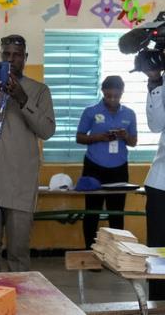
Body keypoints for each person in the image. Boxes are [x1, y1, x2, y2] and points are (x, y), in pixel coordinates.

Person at [0, 34, 55, 272]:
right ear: (0, 57)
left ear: (25, 58)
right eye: (6, 55)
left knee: (18, 253)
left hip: (20, 183)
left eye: (16, 55)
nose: (11, 60)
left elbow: (47, 130)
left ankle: (20, 304)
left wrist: (22, 99)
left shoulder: (39, 91)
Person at [76, 75, 137, 249]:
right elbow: (79, 137)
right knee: (92, 212)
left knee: (116, 213)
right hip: (93, 167)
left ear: (122, 93)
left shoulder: (129, 114)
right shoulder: (91, 111)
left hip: (119, 169)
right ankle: (91, 253)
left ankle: (115, 255)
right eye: (109, 95)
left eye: (116, 96)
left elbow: (133, 142)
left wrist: (125, 136)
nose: (112, 99)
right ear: (103, 92)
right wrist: (99, 137)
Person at [134, 49, 165, 300]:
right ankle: (158, 305)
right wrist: (155, 81)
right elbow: (156, 125)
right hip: (162, 183)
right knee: (159, 253)